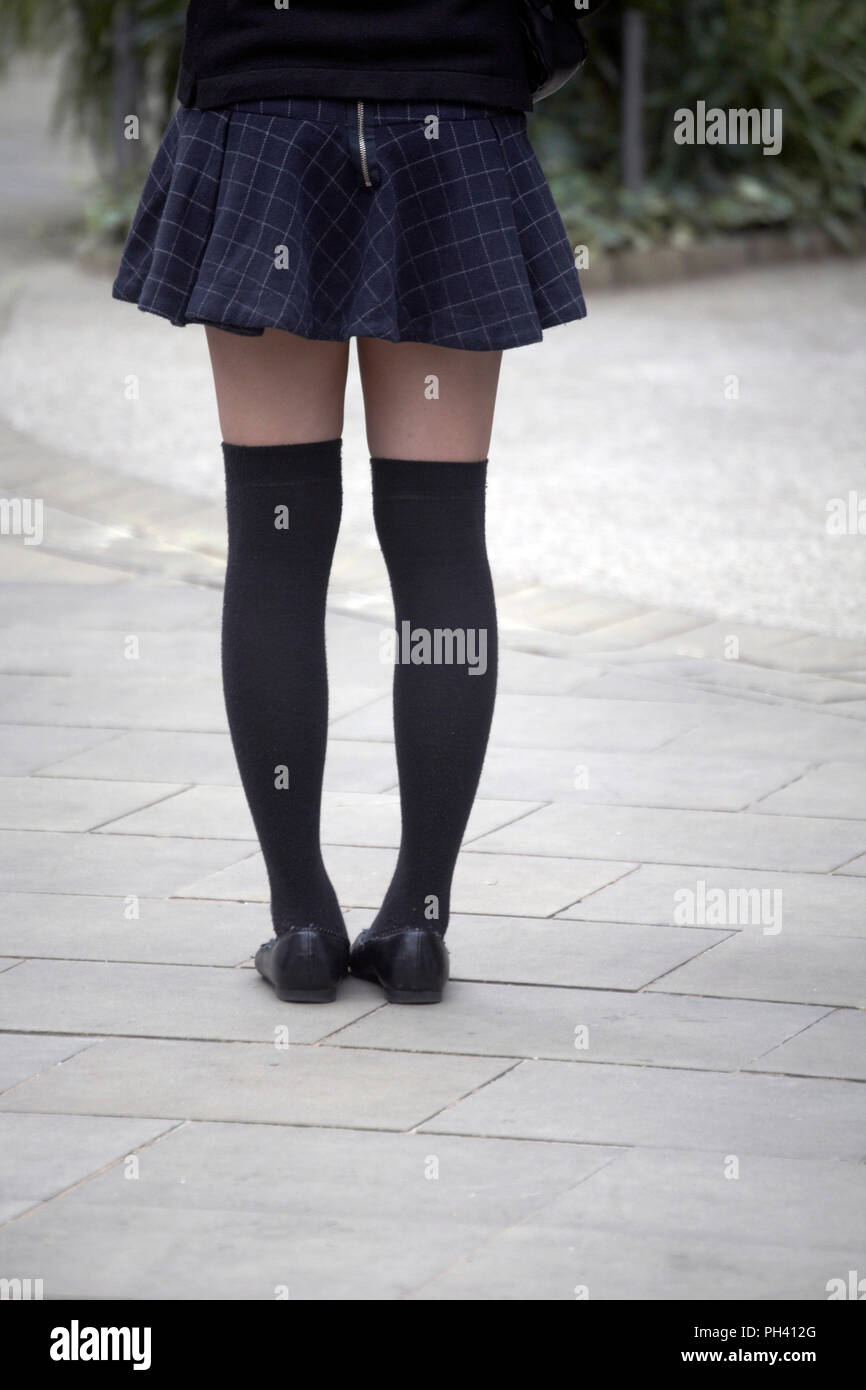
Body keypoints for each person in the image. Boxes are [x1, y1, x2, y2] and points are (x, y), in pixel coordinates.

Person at [113, 0, 587, 1005]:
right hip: (449, 107)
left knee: (275, 541)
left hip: (266, 104)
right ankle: (416, 923)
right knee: (440, 538)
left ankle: (300, 924)